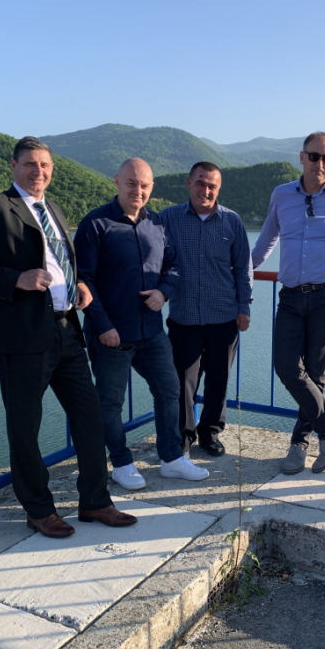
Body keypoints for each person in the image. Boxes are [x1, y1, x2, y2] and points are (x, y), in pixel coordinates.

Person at [0, 136, 135, 539]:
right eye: (31, 164)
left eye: (45, 165)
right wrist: (15, 279)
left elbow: (60, 261)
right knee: (25, 427)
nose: (39, 172)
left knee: (89, 418)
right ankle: (38, 510)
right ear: (13, 165)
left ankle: (95, 501)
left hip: (66, 330)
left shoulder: (53, 208)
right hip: (22, 336)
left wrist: (77, 284)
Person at [74, 157, 209, 491]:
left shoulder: (157, 223)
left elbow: (173, 266)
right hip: (111, 334)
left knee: (170, 390)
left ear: (152, 187)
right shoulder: (95, 224)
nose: (138, 190)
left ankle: (171, 458)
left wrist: (164, 292)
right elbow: (82, 280)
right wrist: (103, 325)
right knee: (110, 403)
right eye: (132, 183)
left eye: (144, 185)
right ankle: (121, 464)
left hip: (151, 330)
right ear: (117, 181)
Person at [251, 131, 325, 475]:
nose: (320, 163)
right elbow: (266, 240)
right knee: (287, 367)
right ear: (301, 157)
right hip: (290, 296)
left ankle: (299, 445)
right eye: (314, 156)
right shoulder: (281, 195)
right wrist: (239, 270)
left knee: (315, 374)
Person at [160, 162, 253, 458]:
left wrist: (244, 308)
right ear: (189, 183)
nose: (206, 190)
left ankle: (209, 432)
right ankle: (183, 434)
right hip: (184, 316)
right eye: (200, 183)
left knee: (218, 380)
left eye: (212, 185)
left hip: (224, 316)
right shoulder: (168, 218)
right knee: (182, 382)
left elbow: (243, 268)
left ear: (219, 189)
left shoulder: (232, 221)